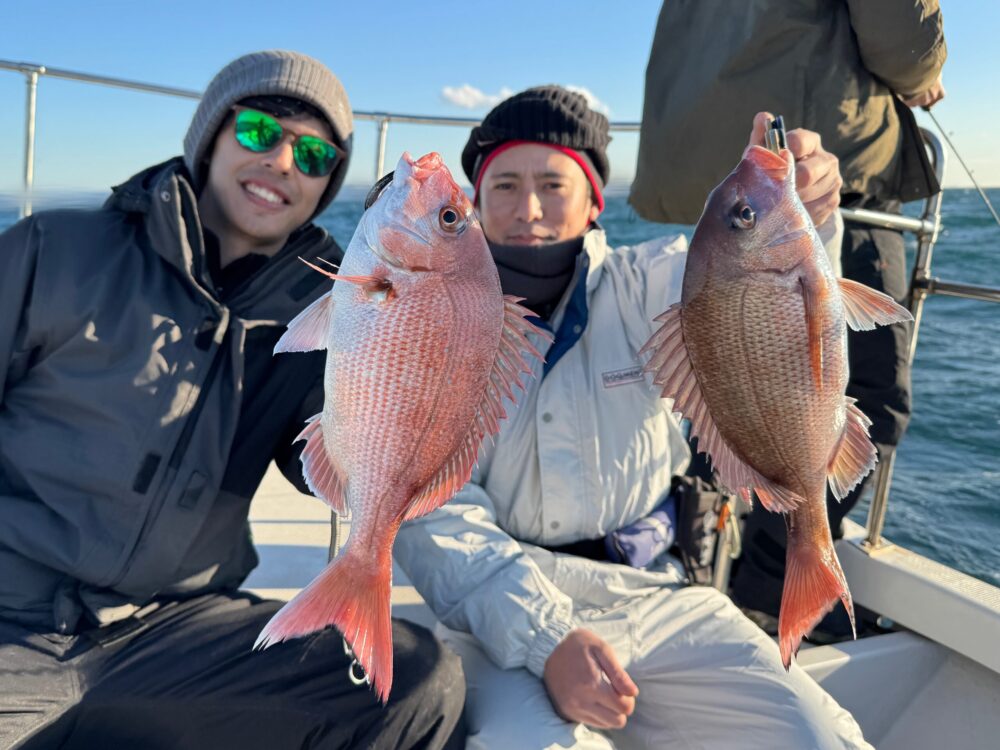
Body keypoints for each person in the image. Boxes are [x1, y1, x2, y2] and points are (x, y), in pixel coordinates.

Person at [0, 50, 465, 749]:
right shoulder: (55, 249)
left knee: (419, 684)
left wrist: (432, 378)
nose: (282, 161)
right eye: (259, 132)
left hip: (172, 634)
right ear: (210, 137)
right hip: (12, 619)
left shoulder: (324, 304)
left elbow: (322, 458)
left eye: (314, 154)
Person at [394, 86, 871, 749]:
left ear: (595, 201)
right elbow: (429, 511)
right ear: (473, 201)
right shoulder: (431, 326)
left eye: (553, 185)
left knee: (816, 737)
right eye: (504, 185)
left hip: (658, 596)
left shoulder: (653, 283)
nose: (529, 208)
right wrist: (545, 638)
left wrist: (812, 216)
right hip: (497, 615)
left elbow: (767, 297)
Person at [628, 1, 947, 630]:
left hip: (696, 185)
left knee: (719, 406)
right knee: (874, 395)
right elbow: (900, 35)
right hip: (826, 165)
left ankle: (719, 569)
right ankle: (775, 588)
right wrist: (924, 73)